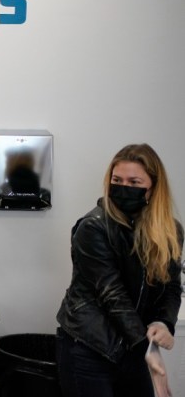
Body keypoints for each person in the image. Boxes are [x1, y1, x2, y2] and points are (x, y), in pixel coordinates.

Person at [56, 143, 182, 397]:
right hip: (90, 347)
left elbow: (171, 286)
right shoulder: (93, 228)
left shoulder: (170, 231)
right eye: (117, 180)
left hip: (133, 346)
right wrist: (148, 350)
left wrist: (163, 322)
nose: (124, 188)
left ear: (153, 189)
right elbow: (111, 294)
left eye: (134, 182)